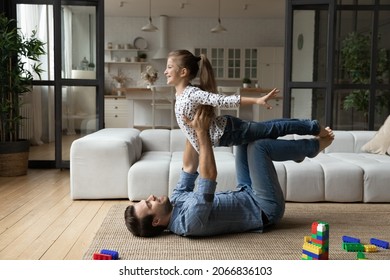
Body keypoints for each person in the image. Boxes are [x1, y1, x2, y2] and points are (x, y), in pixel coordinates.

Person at [124, 109, 335, 237]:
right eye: (149, 205)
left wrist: (191, 125)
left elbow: (189, 167)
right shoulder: (189, 222)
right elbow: (208, 177)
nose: (150, 198)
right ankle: (310, 148)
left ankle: (294, 152)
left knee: (244, 138)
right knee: (258, 147)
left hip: (246, 191)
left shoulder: (175, 200)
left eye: (147, 200)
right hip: (265, 207)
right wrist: (201, 131)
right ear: (155, 222)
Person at [164, 49, 329, 153]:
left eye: (169, 67)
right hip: (227, 131)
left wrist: (257, 100)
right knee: (270, 129)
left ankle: (312, 127)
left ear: (183, 72)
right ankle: (304, 146)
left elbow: (222, 100)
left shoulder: (191, 93)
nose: (165, 71)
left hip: (229, 131)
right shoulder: (182, 95)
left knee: (272, 129)